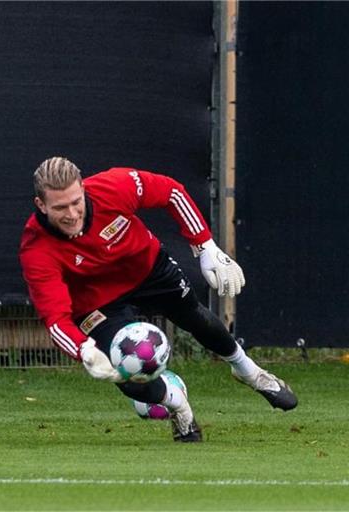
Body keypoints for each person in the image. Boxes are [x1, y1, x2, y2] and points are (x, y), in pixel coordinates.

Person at [19, 157, 297, 442]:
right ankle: (177, 403)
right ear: (41, 205)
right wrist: (84, 351)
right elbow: (55, 321)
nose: (72, 214)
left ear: (84, 190)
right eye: (60, 208)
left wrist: (205, 246)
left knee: (194, 315)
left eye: (76, 202)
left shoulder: (113, 187)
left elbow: (171, 192)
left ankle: (248, 371)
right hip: (96, 303)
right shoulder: (36, 249)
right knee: (126, 377)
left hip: (147, 268)